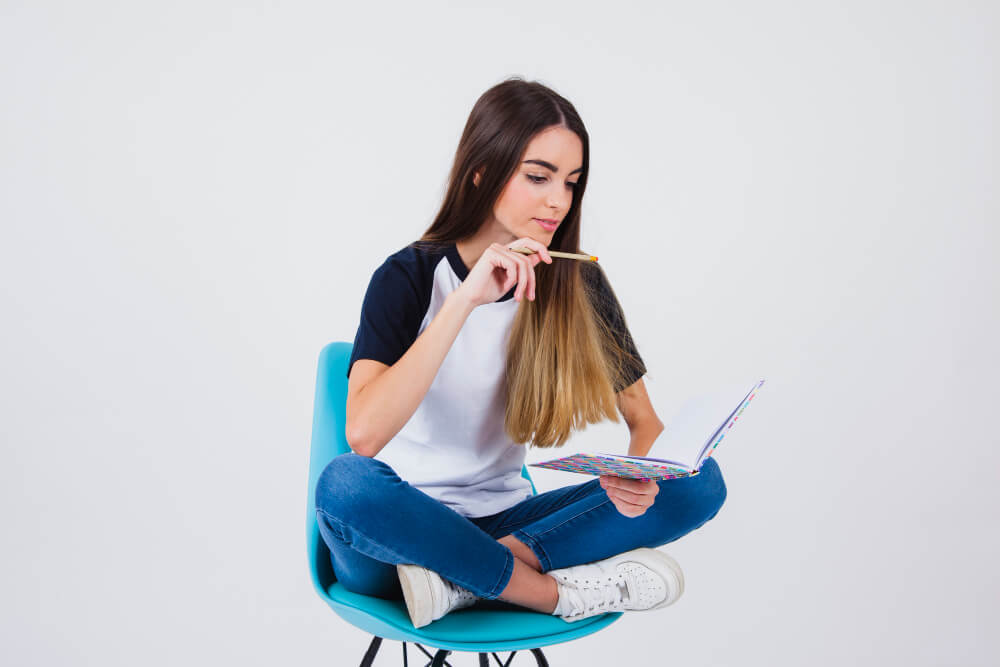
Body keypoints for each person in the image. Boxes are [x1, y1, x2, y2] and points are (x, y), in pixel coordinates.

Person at [314, 77, 727, 629]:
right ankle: (554, 595)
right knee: (346, 486)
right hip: (400, 536)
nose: (559, 200)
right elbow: (364, 435)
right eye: (538, 177)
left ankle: (467, 581)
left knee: (700, 481)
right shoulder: (407, 277)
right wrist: (465, 300)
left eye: (571, 182)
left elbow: (644, 424)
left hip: (509, 522)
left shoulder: (577, 284)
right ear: (482, 172)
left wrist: (642, 478)